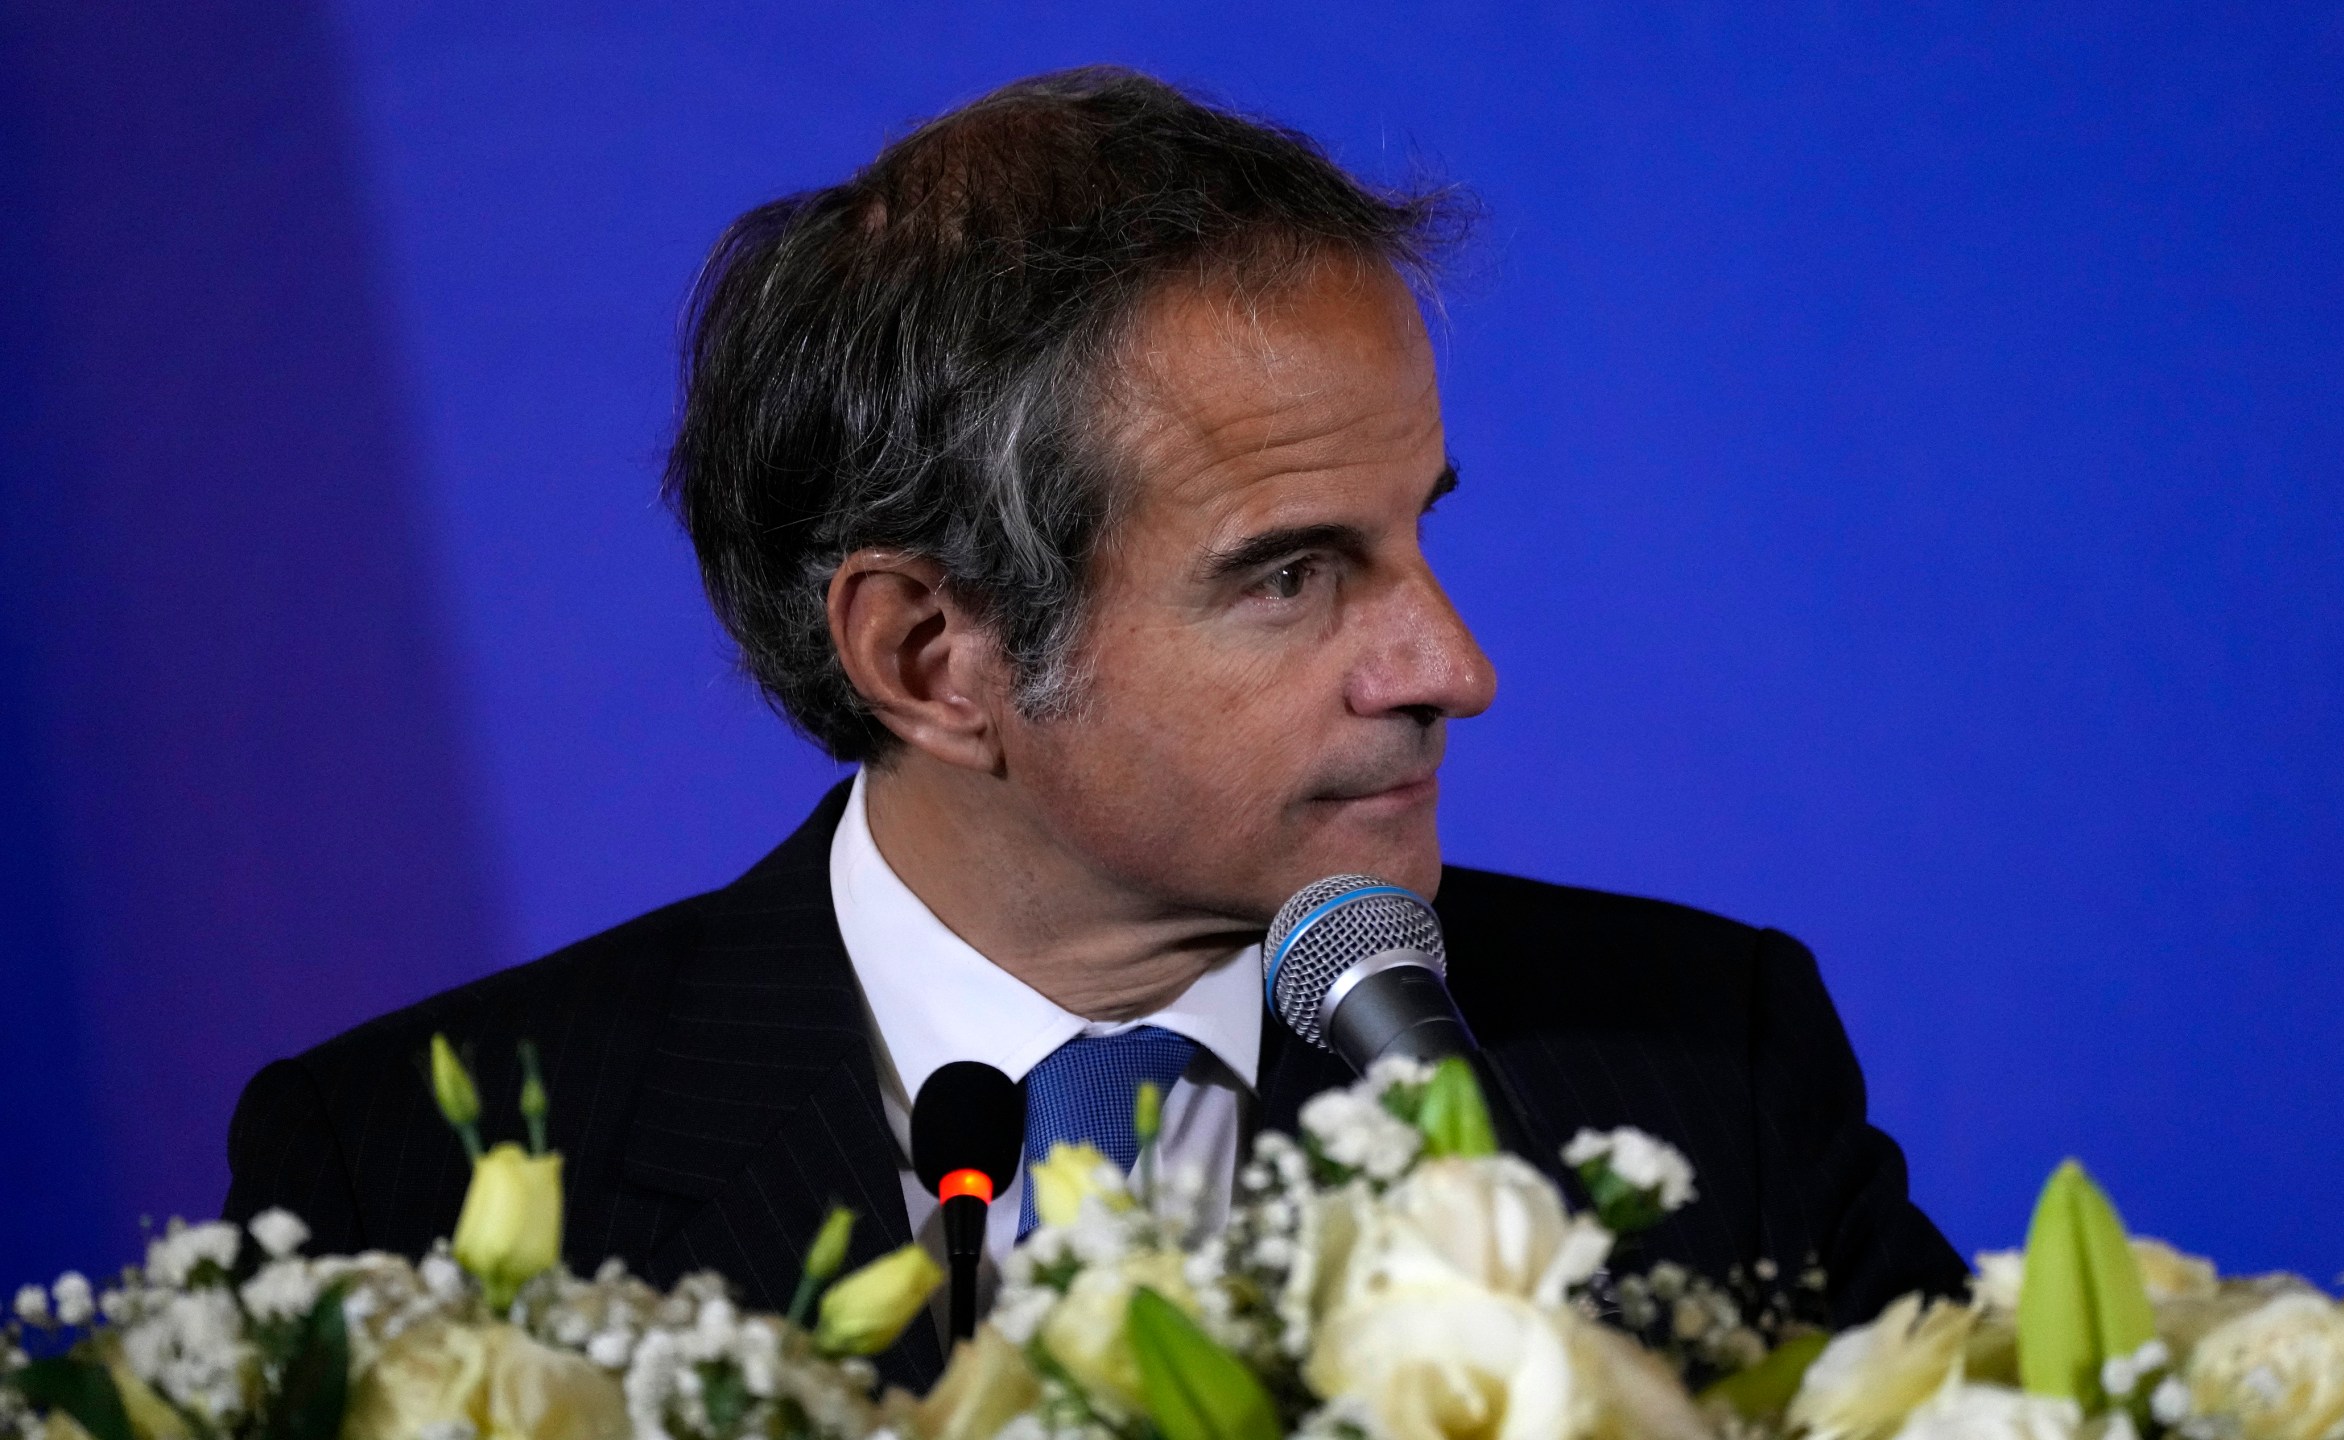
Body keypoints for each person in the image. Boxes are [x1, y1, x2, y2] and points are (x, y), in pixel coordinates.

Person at [221, 67, 1966, 1390]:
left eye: (1422, 530)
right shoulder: (409, 1179)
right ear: (930, 657)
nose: (1448, 662)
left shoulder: (1697, 1069)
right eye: (1292, 575)